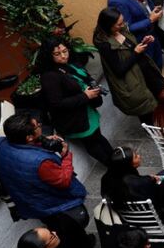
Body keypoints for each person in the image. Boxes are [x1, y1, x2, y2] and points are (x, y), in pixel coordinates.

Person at [0, 113, 92, 248]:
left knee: (56, 229)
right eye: (37, 126)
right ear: (29, 137)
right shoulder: (41, 162)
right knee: (71, 231)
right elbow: (64, 181)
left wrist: (40, 142)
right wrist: (66, 156)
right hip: (56, 206)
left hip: (33, 203)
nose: (40, 125)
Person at [38, 38, 114, 166]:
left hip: (86, 112)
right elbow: (56, 103)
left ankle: (117, 161)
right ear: (49, 56)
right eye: (57, 54)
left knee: (98, 138)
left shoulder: (69, 64)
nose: (63, 56)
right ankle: (113, 166)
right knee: (92, 143)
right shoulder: (49, 76)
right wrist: (85, 96)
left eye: (65, 51)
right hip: (75, 119)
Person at [93, 7, 163, 123]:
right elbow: (119, 70)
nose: (123, 25)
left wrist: (143, 42)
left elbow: (129, 49)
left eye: (122, 22)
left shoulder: (121, 30)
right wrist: (136, 53)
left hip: (145, 72)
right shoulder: (105, 45)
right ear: (109, 25)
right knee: (148, 113)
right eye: (119, 24)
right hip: (134, 82)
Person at [106, 0, 164, 70]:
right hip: (142, 40)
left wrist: (153, 9)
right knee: (152, 68)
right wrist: (149, 20)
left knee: (159, 62)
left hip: (153, 32)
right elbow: (126, 28)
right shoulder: (117, 1)